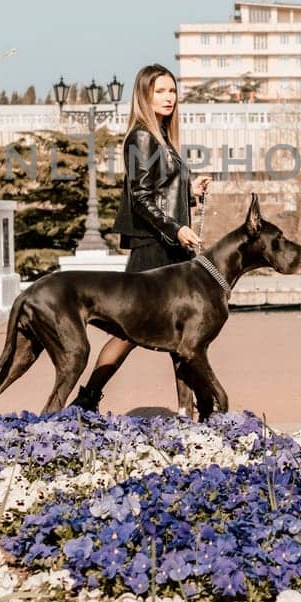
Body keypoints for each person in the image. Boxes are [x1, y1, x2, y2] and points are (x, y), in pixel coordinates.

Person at [70, 63, 210, 412]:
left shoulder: (162, 136)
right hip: (154, 247)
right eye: (159, 91)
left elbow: (160, 190)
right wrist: (176, 228)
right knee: (128, 332)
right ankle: (85, 401)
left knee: (181, 333)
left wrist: (191, 191)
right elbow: (141, 198)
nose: (168, 98)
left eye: (172, 91)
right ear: (144, 96)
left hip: (171, 245)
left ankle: (186, 409)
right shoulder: (142, 137)